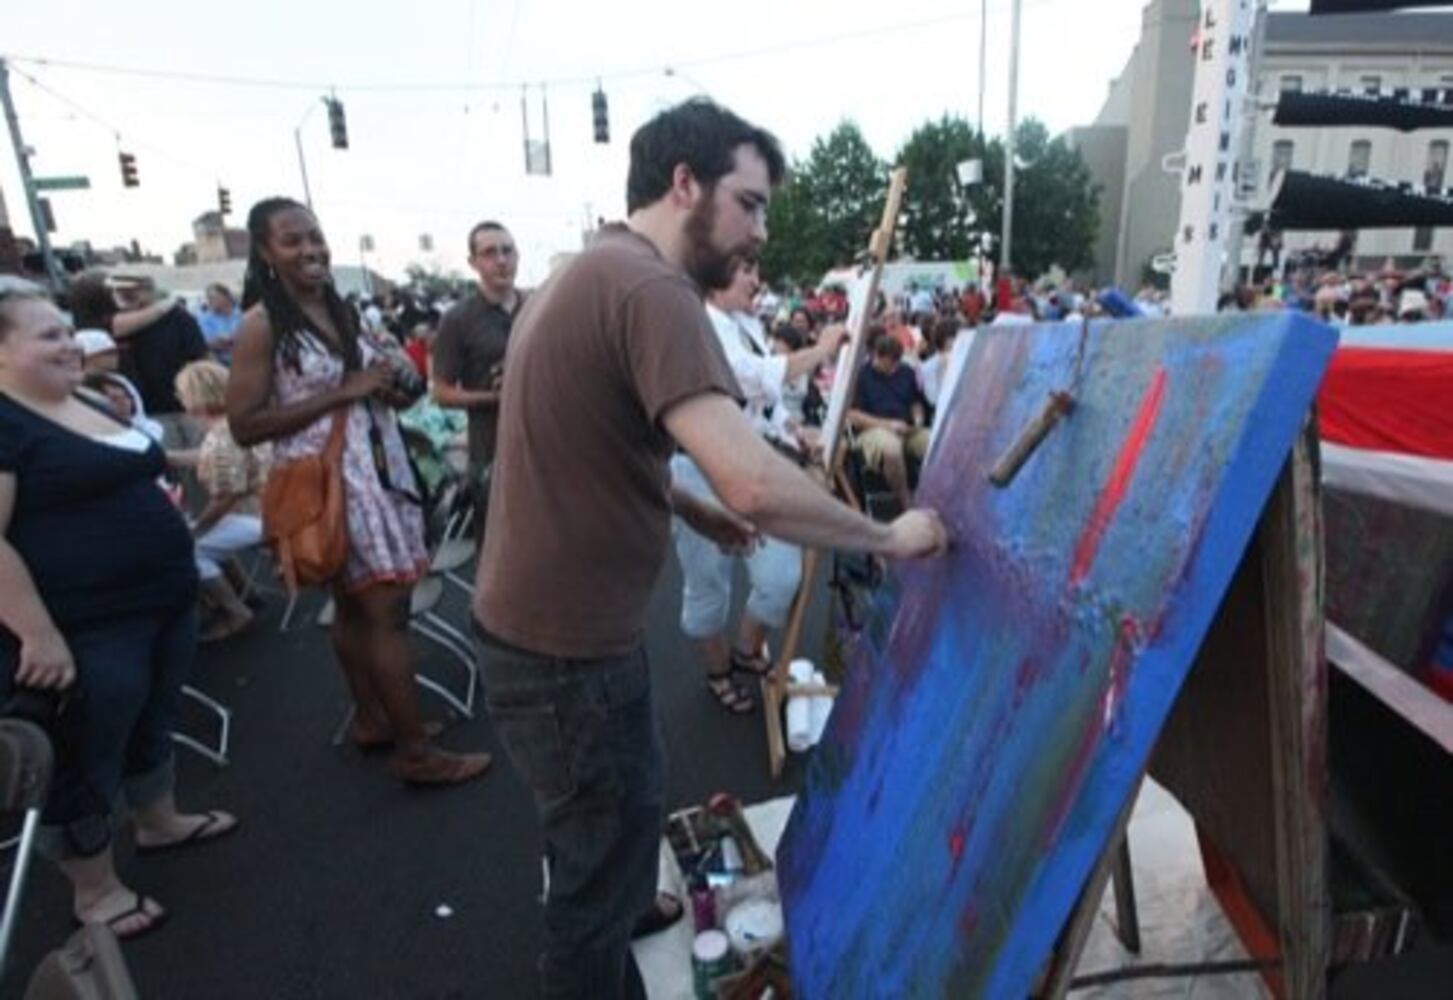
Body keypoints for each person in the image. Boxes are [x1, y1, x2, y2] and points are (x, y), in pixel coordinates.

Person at [474, 98, 947, 999]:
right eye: (750, 202)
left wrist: (687, 509)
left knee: (611, 819)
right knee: (597, 853)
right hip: (565, 650)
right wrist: (890, 534)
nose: (758, 233)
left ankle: (612, 905)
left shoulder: (592, 270)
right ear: (683, 183)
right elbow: (759, 484)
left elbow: (593, 444)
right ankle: (596, 946)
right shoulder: (652, 290)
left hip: (545, 632)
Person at [0, 280, 237, 940]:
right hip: (82, 625)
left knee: (150, 719)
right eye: (48, 335)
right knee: (86, 748)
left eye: (66, 329)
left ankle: (158, 821)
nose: (71, 343)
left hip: (159, 600)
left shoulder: (78, 399)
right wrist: (35, 633)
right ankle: (94, 887)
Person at [226, 197, 490, 785]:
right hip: (335, 483)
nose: (311, 250)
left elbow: (380, 386)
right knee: (387, 612)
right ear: (265, 252)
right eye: (293, 241)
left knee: (351, 607)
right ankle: (417, 751)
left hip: (379, 470)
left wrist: (393, 389)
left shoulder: (340, 310)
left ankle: (375, 720)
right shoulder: (262, 324)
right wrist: (343, 391)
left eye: (316, 237)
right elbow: (243, 424)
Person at [675, 256, 846, 713]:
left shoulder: (743, 323)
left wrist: (792, 429)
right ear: (714, 281)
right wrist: (823, 349)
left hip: (749, 460)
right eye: (746, 271)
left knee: (781, 575)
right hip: (696, 468)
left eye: (756, 269)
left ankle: (747, 650)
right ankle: (718, 672)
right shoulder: (699, 323)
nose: (757, 279)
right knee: (707, 580)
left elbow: (764, 401)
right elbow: (751, 376)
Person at [431, 221, 524, 531]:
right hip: (490, 451)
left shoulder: (539, 307)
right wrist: (495, 397)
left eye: (507, 250)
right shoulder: (457, 319)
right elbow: (441, 393)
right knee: (499, 550)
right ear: (473, 262)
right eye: (489, 252)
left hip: (544, 446)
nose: (501, 260)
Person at [175, 360, 266, 641]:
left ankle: (235, 612)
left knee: (187, 550)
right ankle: (245, 590)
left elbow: (226, 498)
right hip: (271, 508)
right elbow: (208, 456)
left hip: (263, 517)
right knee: (208, 534)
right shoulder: (240, 423)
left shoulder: (219, 439)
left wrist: (196, 529)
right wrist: (165, 455)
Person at [108, 276, 209, 447]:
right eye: (121, 291)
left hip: (189, 404)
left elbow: (200, 355)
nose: (127, 295)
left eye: (133, 290)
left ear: (149, 291)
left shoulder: (178, 317)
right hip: (149, 410)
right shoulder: (117, 321)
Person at [849, 331, 932, 513]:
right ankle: (905, 501)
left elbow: (915, 402)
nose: (889, 368)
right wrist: (888, 425)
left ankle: (933, 494)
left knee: (935, 443)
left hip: (906, 427)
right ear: (875, 355)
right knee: (891, 449)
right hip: (872, 429)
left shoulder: (906, 372)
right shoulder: (861, 376)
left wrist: (918, 419)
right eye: (884, 363)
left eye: (892, 364)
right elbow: (853, 415)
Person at [195, 283, 242, 364]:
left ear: (226, 297)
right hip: (217, 364)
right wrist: (234, 340)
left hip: (243, 362)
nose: (209, 301)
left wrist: (226, 341)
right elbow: (206, 344)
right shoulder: (204, 318)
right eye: (208, 298)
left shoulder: (242, 315)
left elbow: (248, 341)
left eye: (212, 297)